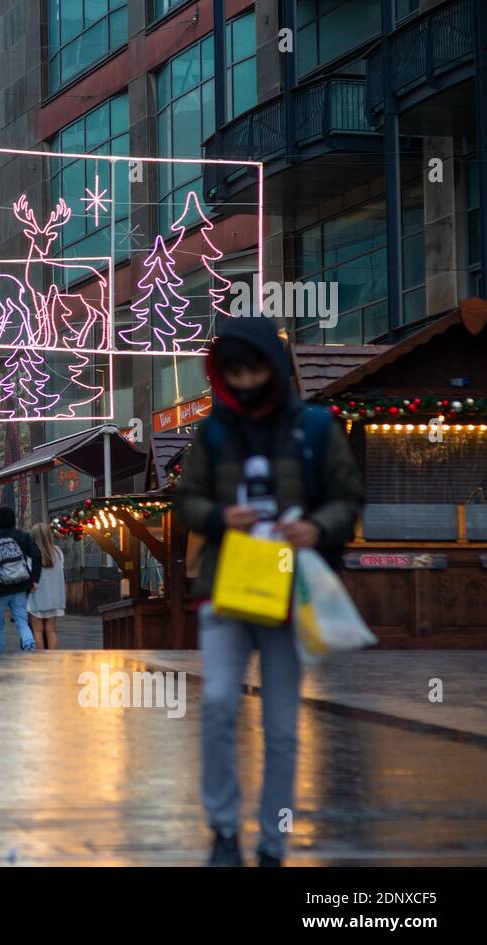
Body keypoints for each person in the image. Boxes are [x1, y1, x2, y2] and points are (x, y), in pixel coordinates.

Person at [174, 314, 362, 868]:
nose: (246, 379)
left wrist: (317, 527)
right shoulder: (211, 433)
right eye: (234, 369)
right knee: (215, 707)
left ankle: (274, 844)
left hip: (288, 592)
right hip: (227, 590)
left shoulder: (317, 427)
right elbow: (184, 501)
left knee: (281, 727)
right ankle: (225, 833)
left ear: (273, 367)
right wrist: (216, 515)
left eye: (254, 367)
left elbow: (346, 498)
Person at [0, 506, 43, 652]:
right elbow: (37, 555)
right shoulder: (23, 537)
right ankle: (29, 646)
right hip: (20, 586)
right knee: (22, 621)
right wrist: (34, 579)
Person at [26, 523, 66, 649]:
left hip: (36, 597)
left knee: (37, 631)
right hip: (54, 597)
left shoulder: (30, 555)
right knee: (51, 631)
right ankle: (51, 659)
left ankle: (40, 660)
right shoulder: (58, 553)